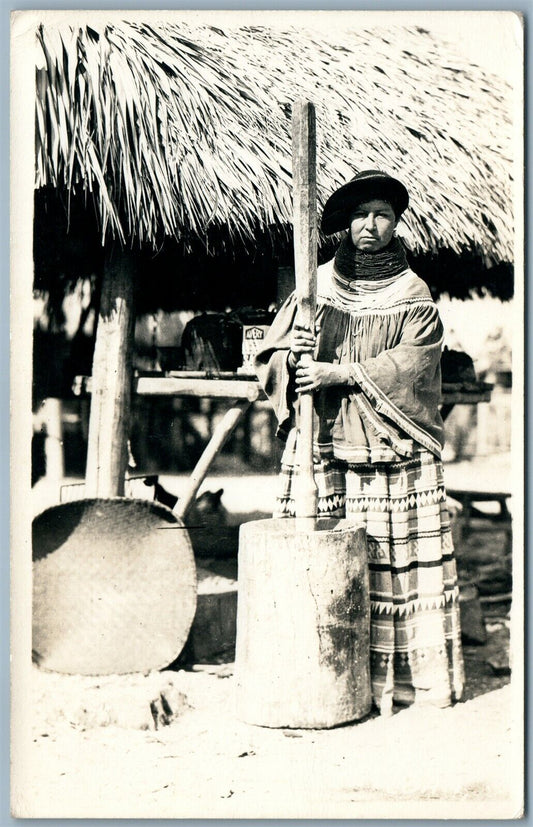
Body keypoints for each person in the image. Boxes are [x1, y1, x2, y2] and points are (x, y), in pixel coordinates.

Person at [254, 169, 464, 716]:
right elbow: (268, 361)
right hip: (323, 441)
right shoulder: (314, 285)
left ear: (396, 224)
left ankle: (394, 688)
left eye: (383, 216)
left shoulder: (413, 293)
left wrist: (339, 374)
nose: (370, 225)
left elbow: (414, 364)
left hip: (389, 447)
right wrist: (292, 351)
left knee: (393, 562)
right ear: (345, 224)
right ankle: (318, 677)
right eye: (360, 215)